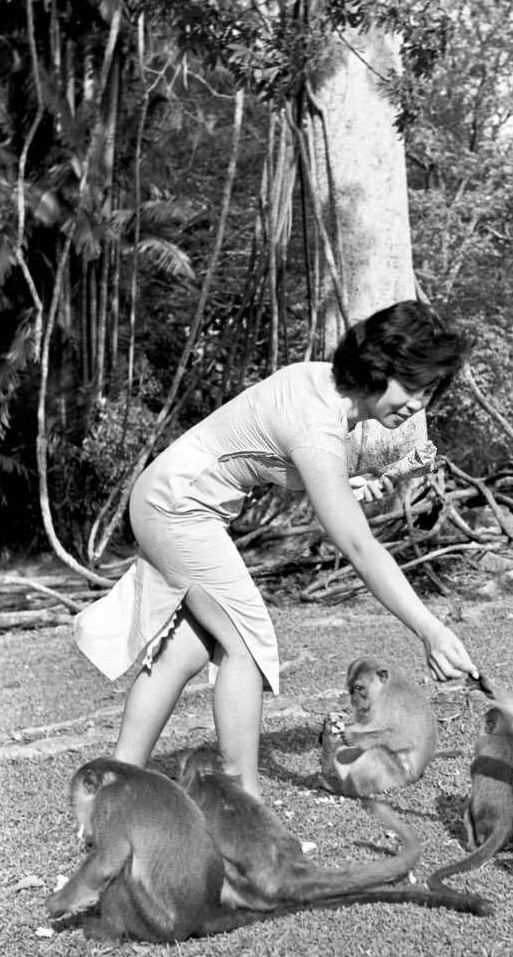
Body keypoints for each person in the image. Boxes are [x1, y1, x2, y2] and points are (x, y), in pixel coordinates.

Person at [74, 300, 478, 799]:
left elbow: (287, 461)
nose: (418, 404)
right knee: (247, 644)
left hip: (171, 499)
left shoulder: (323, 388)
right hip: (179, 508)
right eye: (411, 387)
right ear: (379, 368)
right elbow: (357, 543)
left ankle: (115, 785)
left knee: (188, 649)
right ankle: (244, 801)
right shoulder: (318, 425)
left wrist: (350, 484)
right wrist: (431, 630)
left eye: (428, 392)